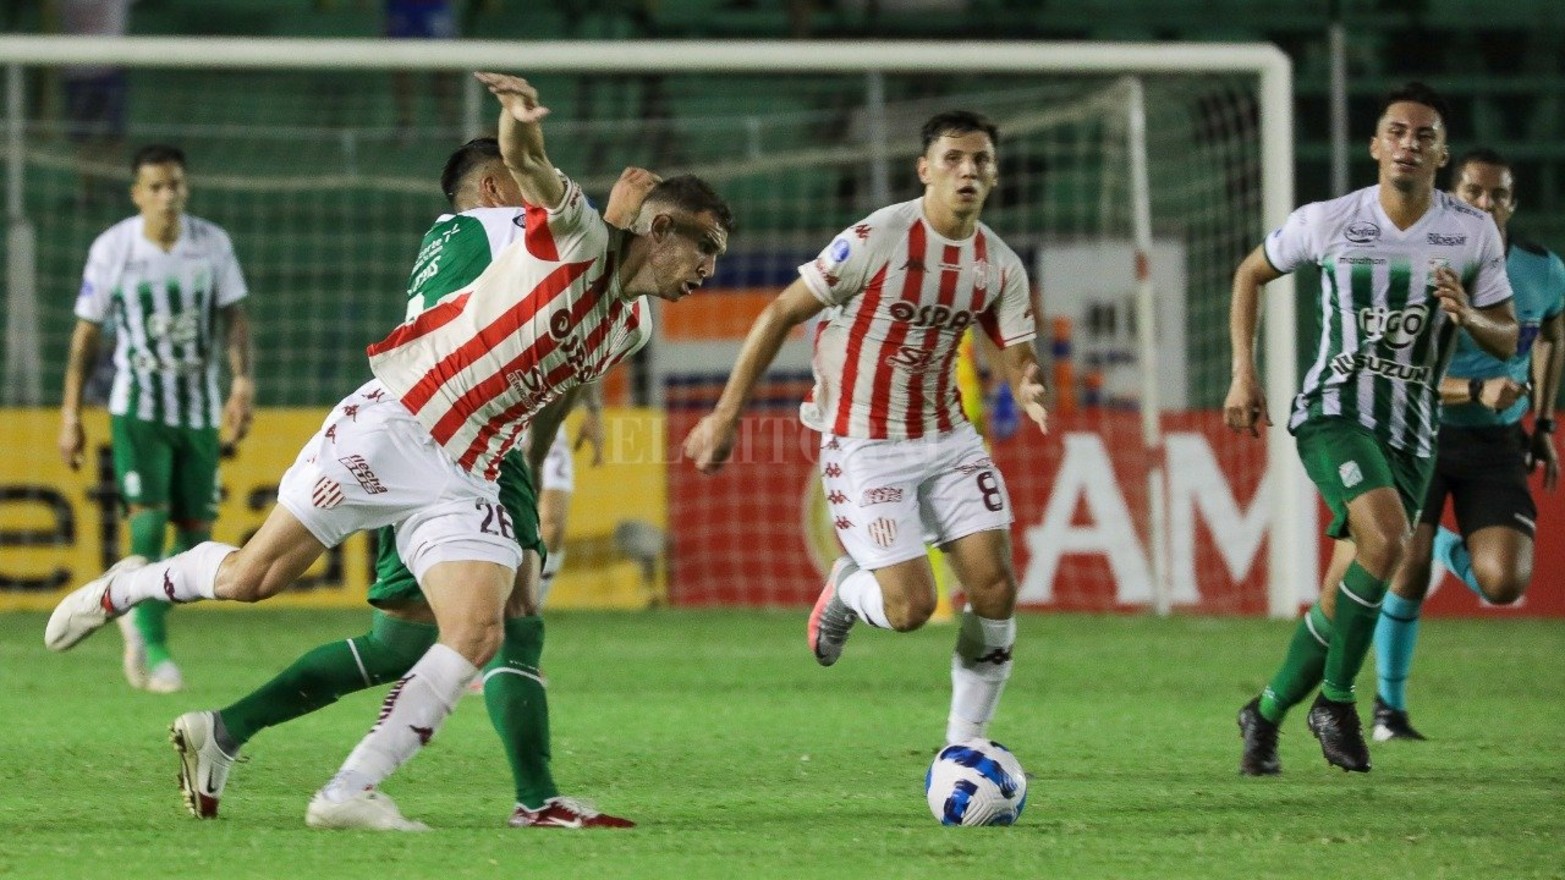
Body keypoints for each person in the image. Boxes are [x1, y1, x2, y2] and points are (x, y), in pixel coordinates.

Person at [47, 72, 733, 831]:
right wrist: (518, 122)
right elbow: (531, 169)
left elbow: (556, 379)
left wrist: (533, 469)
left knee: (477, 631)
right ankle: (129, 587)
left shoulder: (631, 329)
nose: (709, 268)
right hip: (398, 424)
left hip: (470, 468)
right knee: (251, 578)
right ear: (662, 230)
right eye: (703, 246)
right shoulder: (570, 233)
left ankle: (348, 792)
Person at [160, 141, 651, 830]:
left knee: (399, 643)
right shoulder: (499, 226)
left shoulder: (448, 243)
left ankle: (227, 728)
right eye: (521, 185)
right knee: (513, 612)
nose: (537, 201)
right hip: (466, 438)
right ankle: (532, 798)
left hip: (419, 423)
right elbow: (588, 262)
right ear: (489, 187)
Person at [683, 110, 1049, 748]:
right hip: (864, 444)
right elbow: (778, 314)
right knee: (910, 609)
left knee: (994, 588)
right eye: (953, 158)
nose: (968, 171)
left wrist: (1028, 382)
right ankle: (847, 591)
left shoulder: (999, 265)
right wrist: (724, 415)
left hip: (948, 439)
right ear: (924, 169)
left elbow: (1015, 349)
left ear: (994, 173)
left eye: (981, 160)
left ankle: (967, 745)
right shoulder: (878, 237)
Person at [1226, 82, 1517, 776]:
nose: (1407, 145)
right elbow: (1248, 274)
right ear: (1374, 145)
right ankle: (1335, 702)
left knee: (1343, 596)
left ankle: (1262, 715)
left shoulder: (1470, 232)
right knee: (1386, 540)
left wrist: (1466, 314)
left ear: (1440, 154)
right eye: (1396, 131)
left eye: (1423, 136)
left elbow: (1506, 337)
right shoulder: (1328, 220)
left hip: (1413, 430)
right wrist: (1243, 371)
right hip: (1333, 411)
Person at [1370, 148, 1564, 741]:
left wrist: (1545, 425)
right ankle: (1388, 711)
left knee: (1503, 585)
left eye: (1498, 195)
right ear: (1453, 196)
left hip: (1495, 443)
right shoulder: (1419, 265)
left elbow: (1551, 335)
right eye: (1474, 192)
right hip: (1417, 431)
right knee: (1405, 571)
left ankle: (1445, 546)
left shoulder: (1543, 269)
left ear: (1512, 203)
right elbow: (1393, 367)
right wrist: (1477, 389)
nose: (1486, 204)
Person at [58, 143, 254, 695]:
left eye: (176, 186)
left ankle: (131, 596)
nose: (169, 196)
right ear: (137, 194)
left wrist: (241, 383)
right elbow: (86, 335)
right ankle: (154, 642)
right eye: (157, 187)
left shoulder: (212, 243)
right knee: (147, 518)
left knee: (198, 536)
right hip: (137, 403)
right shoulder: (113, 248)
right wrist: (70, 412)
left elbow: (233, 316)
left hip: (197, 404)